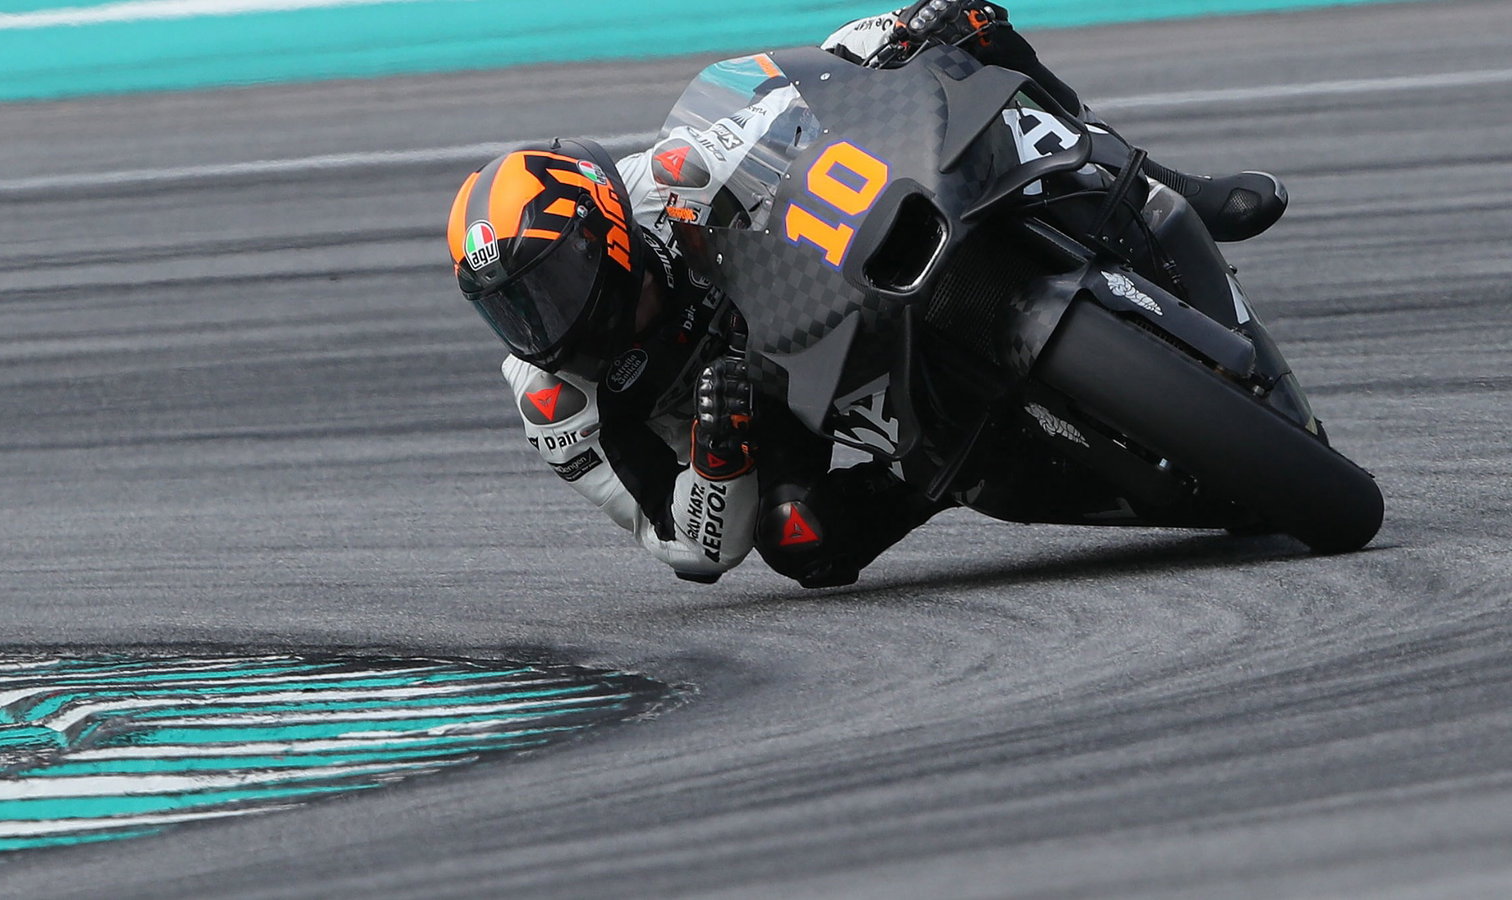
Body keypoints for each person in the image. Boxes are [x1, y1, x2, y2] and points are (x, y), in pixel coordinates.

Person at [445, 3, 1289, 588]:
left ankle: (1156, 183)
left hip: (812, 280)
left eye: (548, 284)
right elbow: (689, 549)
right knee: (802, 540)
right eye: (511, 308)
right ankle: (948, 470)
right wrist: (715, 454)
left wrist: (899, 36)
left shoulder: (667, 180)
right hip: (772, 414)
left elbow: (795, 91)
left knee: (967, 42)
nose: (539, 322)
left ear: (607, 233)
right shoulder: (554, 400)